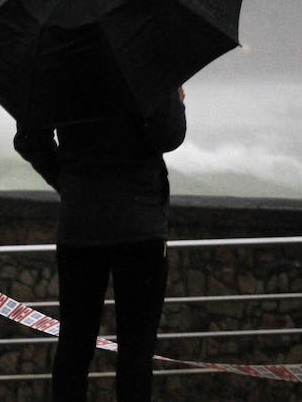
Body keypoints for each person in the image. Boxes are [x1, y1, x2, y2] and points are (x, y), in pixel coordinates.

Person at [14, 85, 188, 402]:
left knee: (74, 344)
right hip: (140, 225)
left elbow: (29, 139)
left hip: (80, 226)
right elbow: (169, 136)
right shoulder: (143, 59)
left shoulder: (60, 60)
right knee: (136, 351)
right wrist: (173, 99)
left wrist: (70, 184)